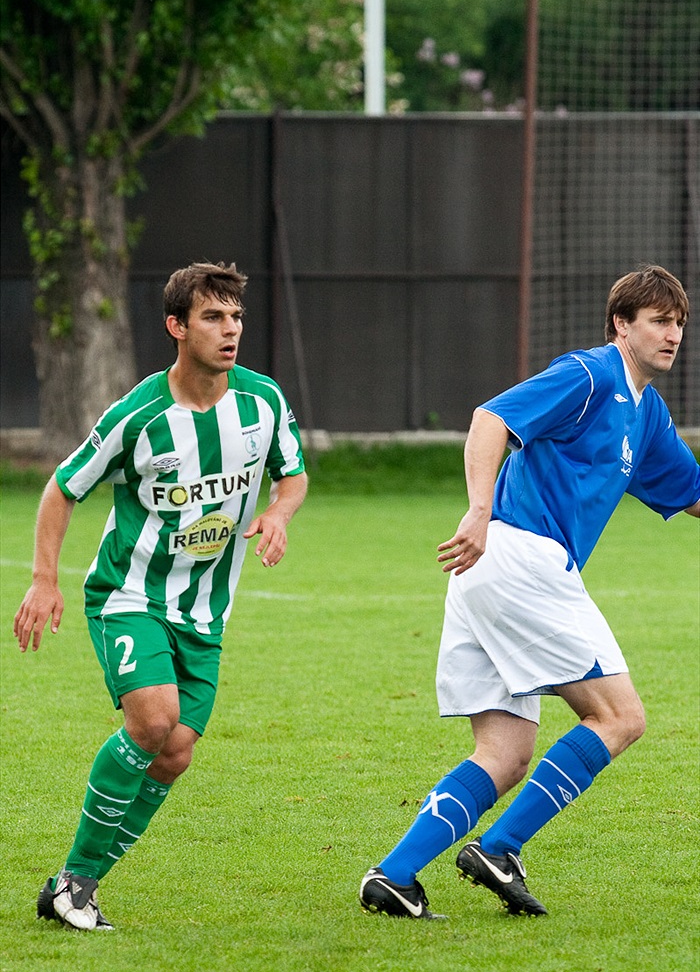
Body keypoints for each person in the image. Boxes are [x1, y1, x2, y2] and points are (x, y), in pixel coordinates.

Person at [359, 263, 700, 920]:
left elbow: (692, 493)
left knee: (506, 754)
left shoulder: (647, 413)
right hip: (520, 556)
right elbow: (491, 419)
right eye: (659, 320)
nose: (673, 334)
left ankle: (394, 876)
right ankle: (500, 846)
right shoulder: (590, 375)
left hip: (491, 572)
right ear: (621, 324)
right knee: (621, 717)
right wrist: (478, 509)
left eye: (679, 323)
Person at [14, 261, 308, 931]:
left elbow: (292, 474)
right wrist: (43, 578)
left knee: (174, 752)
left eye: (235, 316)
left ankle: (71, 883)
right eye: (213, 316)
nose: (230, 329)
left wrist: (279, 512)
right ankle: (77, 886)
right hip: (130, 594)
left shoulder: (262, 401)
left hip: (205, 613)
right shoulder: (139, 415)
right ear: (177, 326)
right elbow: (62, 488)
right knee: (152, 722)